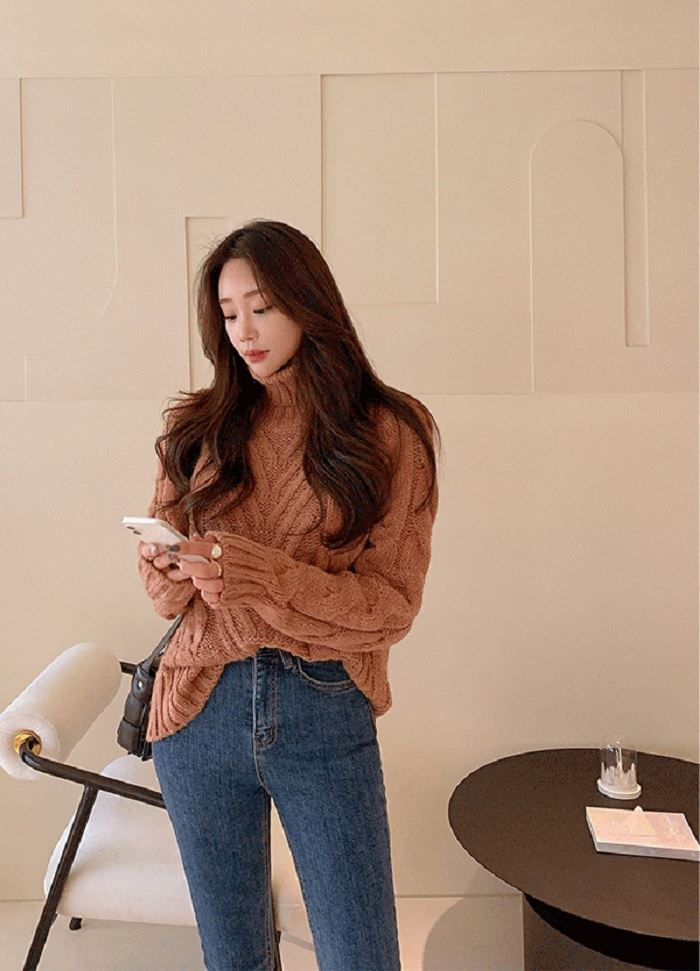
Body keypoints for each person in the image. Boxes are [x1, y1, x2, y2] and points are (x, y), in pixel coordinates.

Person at [137, 219, 441, 971]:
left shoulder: (390, 431)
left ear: (309, 302)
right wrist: (167, 564)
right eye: (228, 313)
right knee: (235, 959)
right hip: (197, 713)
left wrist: (262, 576)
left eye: (262, 307)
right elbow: (165, 602)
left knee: (361, 956)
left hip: (323, 709)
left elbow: (391, 605)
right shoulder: (194, 426)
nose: (244, 331)